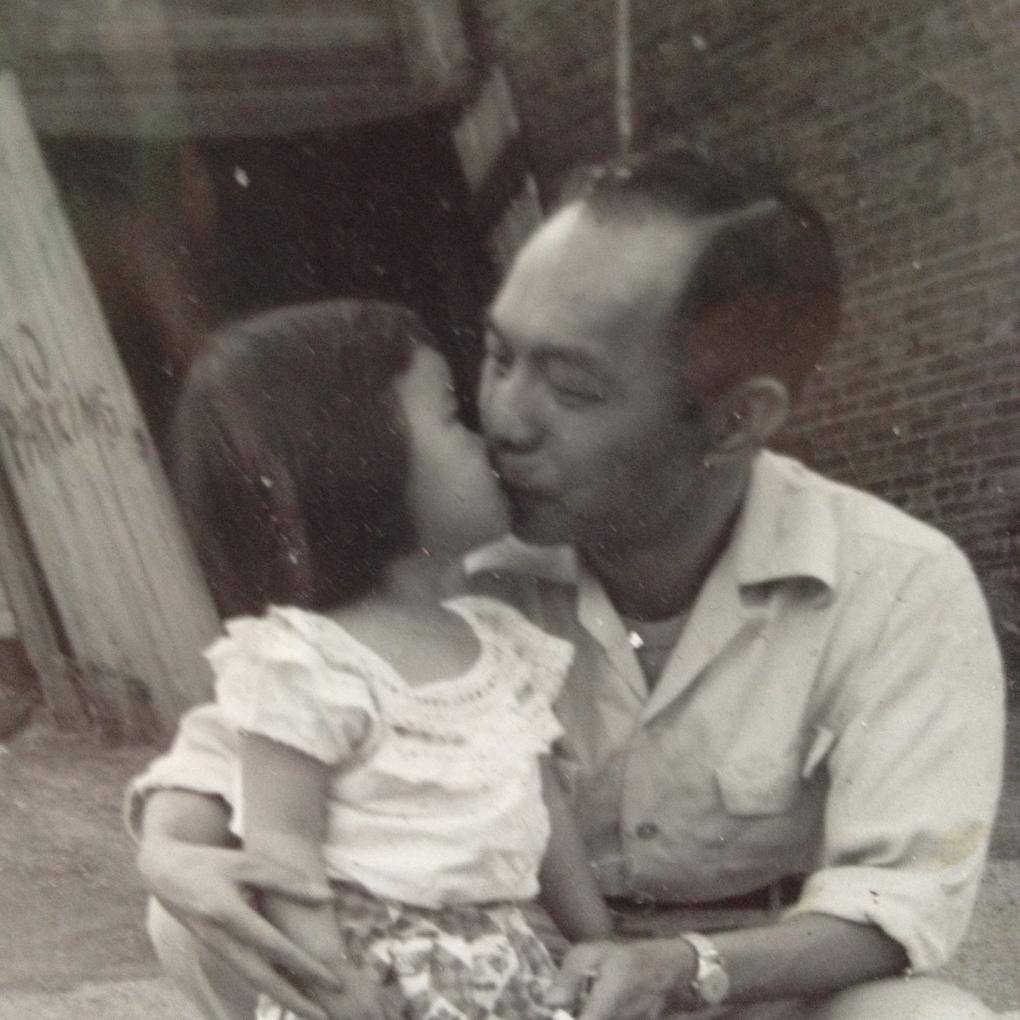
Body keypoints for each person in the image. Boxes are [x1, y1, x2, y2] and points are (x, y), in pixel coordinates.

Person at [129, 147, 1006, 1019]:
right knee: (194, 920)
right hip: (508, 978)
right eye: (501, 357)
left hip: (745, 982)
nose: (505, 419)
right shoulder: (438, 554)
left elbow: (901, 900)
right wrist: (171, 852)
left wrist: (686, 966)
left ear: (737, 418)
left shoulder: (895, 582)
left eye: (573, 387)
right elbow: (233, 746)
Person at [155, 298, 612, 1020]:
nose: (482, 441)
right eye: (450, 415)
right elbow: (282, 846)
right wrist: (335, 986)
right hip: (376, 987)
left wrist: (597, 939)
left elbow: (543, 809)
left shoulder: (498, 640)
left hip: (501, 968)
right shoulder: (309, 663)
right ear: (361, 460)